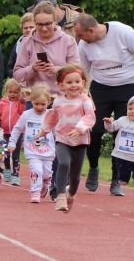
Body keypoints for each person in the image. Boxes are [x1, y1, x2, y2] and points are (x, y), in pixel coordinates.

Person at [74, 13, 134, 196]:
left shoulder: (122, 31)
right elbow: (84, 70)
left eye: (81, 35)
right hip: (101, 87)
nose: (79, 39)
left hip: (127, 86)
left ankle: (116, 179)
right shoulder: (84, 45)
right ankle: (94, 167)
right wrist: (82, 93)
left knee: (121, 132)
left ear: (91, 30)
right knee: (95, 129)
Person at [41, 65, 95, 212]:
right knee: (63, 163)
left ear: (83, 83)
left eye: (77, 82)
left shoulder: (85, 100)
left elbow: (90, 116)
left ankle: (71, 195)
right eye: (69, 82)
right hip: (62, 139)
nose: (74, 85)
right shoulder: (58, 101)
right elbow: (52, 117)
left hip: (80, 141)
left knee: (75, 176)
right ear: (61, 85)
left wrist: (79, 129)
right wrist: (44, 131)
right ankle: (60, 196)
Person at [13, 1, 79, 95]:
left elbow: (77, 71)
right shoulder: (27, 42)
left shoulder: (68, 41)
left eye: (48, 24)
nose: (44, 28)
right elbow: (17, 75)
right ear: (35, 23)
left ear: (55, 22)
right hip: (36, 99)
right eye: (40, 24)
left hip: (62, 98)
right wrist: (32, 68)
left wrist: (58, 70)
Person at [7, 84, 56, 203]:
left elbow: (56, 132)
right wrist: (12, 142)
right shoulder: (27, 114)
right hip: (32, 151)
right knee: (36, 170)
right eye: (36, 104)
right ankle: (35, 193)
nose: (39, 107)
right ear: (32, 101)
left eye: (43, 104)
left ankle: (46, 182)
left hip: (48, 152)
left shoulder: (51, 115)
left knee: (46, 173)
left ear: (48, 102)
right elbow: (17, 129)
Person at [0, 78, 26, 185]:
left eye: (16, 92)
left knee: (15, 155)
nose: (13, 94)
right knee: (5, 153)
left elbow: (22, 111)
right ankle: (7, 170)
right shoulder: (2, 103)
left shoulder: (20, 103)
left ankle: (16, 174)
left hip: (17, 133)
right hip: (4, 132)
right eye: (10, 92)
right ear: (6, 91)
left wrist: (22, 99)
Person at [6, 13, 35, 78]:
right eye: (25, 28)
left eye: (31, 27)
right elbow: (10, 67)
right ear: (22, 30)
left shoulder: (41, 43)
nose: (28, 30)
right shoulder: (18, 45)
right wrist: (17, 75)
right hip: (21, 83)